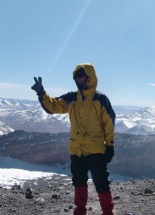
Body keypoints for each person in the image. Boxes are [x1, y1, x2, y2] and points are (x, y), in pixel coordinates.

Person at [31, 63, 116, 215]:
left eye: (81, 76)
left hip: (96, 150)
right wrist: (42, 93)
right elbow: (54, 106)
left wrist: (109, 145)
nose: (78, 79)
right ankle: (80, 211)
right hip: (77, 150)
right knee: (79, 183)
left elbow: (109, 122)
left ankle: (108, 212)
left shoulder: (100, 99)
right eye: (76, 77)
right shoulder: (71, 98)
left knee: (102, 184)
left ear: (89, 77)